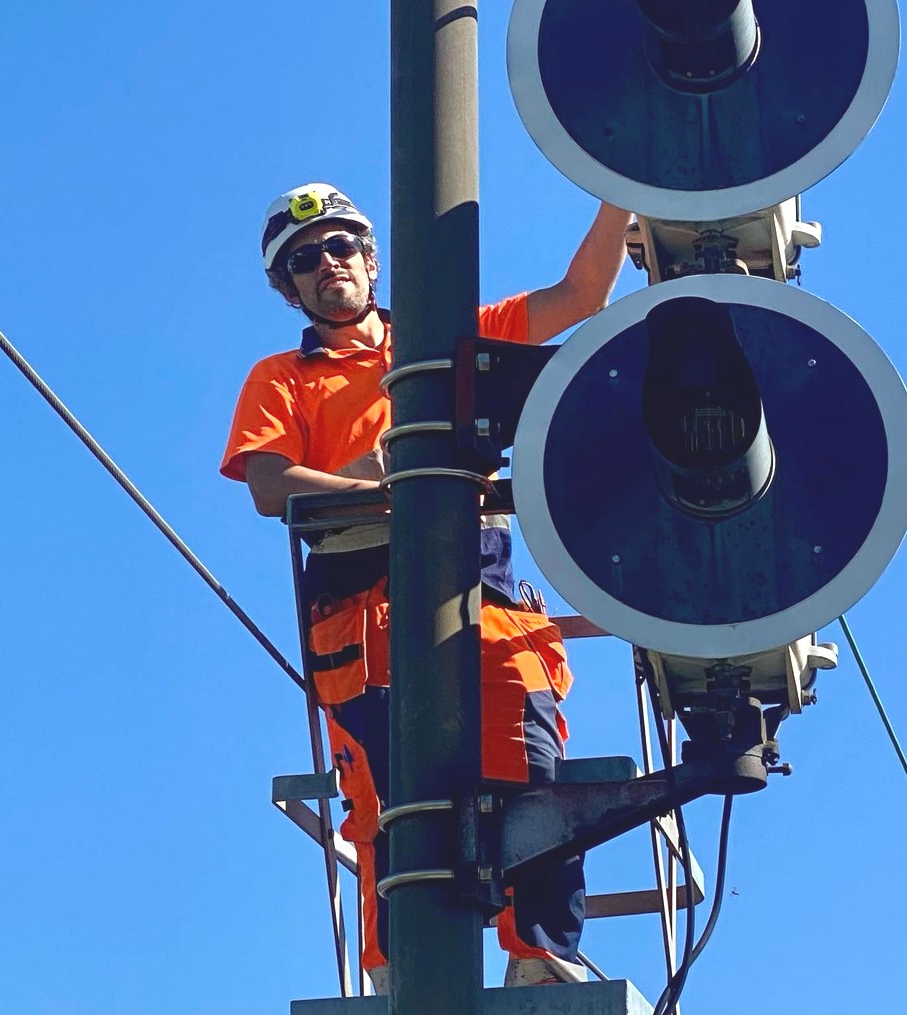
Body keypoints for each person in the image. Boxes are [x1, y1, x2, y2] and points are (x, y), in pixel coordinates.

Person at [220, 184, 630, 993]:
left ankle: (539, 953)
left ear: (371, 260)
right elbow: (270, 485)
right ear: (290, 287)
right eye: (305, 260)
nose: (327, 264)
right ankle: (400, 972)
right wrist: (371, 479)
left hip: (480, 588)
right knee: (388, 799)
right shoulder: (284, 377)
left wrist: (620, 196)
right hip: (361, 606)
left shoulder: (449, 340)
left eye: (341, 247)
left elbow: (580, 296)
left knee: (528, 760)